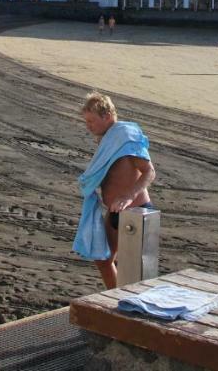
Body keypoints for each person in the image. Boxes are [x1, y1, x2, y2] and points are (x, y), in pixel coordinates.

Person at [73, 92, 155, 289]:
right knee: (104, 259)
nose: (88, 126)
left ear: (107, 116)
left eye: (92, 121)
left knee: (134, 270)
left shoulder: (125, 136)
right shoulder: (107, 139)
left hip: (136, 211)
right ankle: (118, 298)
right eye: (86, 121)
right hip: (115, 211)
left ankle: (128, 304)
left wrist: (128, 196)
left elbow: (149, 172)